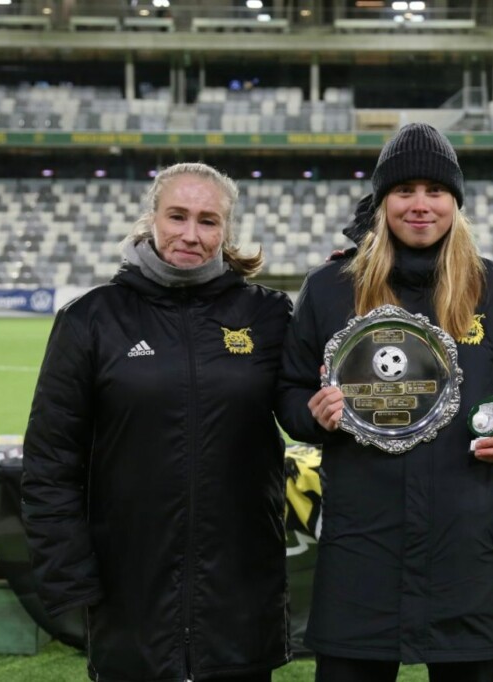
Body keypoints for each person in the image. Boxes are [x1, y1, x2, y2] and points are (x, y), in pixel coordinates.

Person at [277, 122, 493, 682]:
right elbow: (288, 390)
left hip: (464, 552)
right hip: (362, 548)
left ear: (456, 201)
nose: (420, 205)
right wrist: (314, 416)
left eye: (436, 191)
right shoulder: (331, 288)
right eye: (405, 191)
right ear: (382, 202)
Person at [21, 162, 293, 682]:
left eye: (209, 221)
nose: (191, 234)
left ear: (227, 230)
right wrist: (69, 574)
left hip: (240, 589)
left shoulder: (270, 317)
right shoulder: (90, 319)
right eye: (178, 216)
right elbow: (51, 459)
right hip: (129, 590)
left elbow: (306, 413)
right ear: (152, 219)